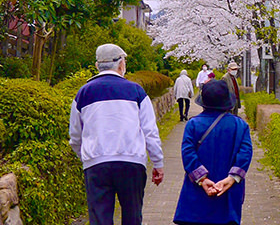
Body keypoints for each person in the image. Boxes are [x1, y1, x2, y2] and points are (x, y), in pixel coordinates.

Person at [69, 43, 164, 225]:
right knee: (132, 216)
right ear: (121, 64)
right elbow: (150, 131)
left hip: (96, 164)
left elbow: (75, 136)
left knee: (100, 219)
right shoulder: (136, 91)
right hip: (131, 162)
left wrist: (86, 157)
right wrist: (158, 163)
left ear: (97, 65)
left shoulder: (83, 93)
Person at [173, 80, 252, 225]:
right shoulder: (240, 125)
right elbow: (245, 154)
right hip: (228, 193)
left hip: (197, 193)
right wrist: (232, 178)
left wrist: (202, 179)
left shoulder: (193, 124)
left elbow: (188, 153)